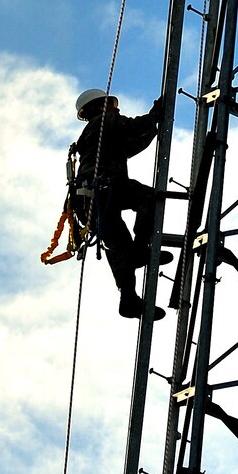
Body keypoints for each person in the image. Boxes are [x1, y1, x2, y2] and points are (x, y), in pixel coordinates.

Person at [71, 88, 169, 320]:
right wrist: (155, 115)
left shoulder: (96, 134)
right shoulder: (104, 121)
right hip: (105, 186)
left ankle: (129, 298)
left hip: (88, 200)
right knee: (148, 198)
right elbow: (134, 127)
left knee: (118, 244)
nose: (117, 107)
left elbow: (132, 144)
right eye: (113, 103)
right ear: (100, 106)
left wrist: (153, 124)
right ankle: (140, 250)